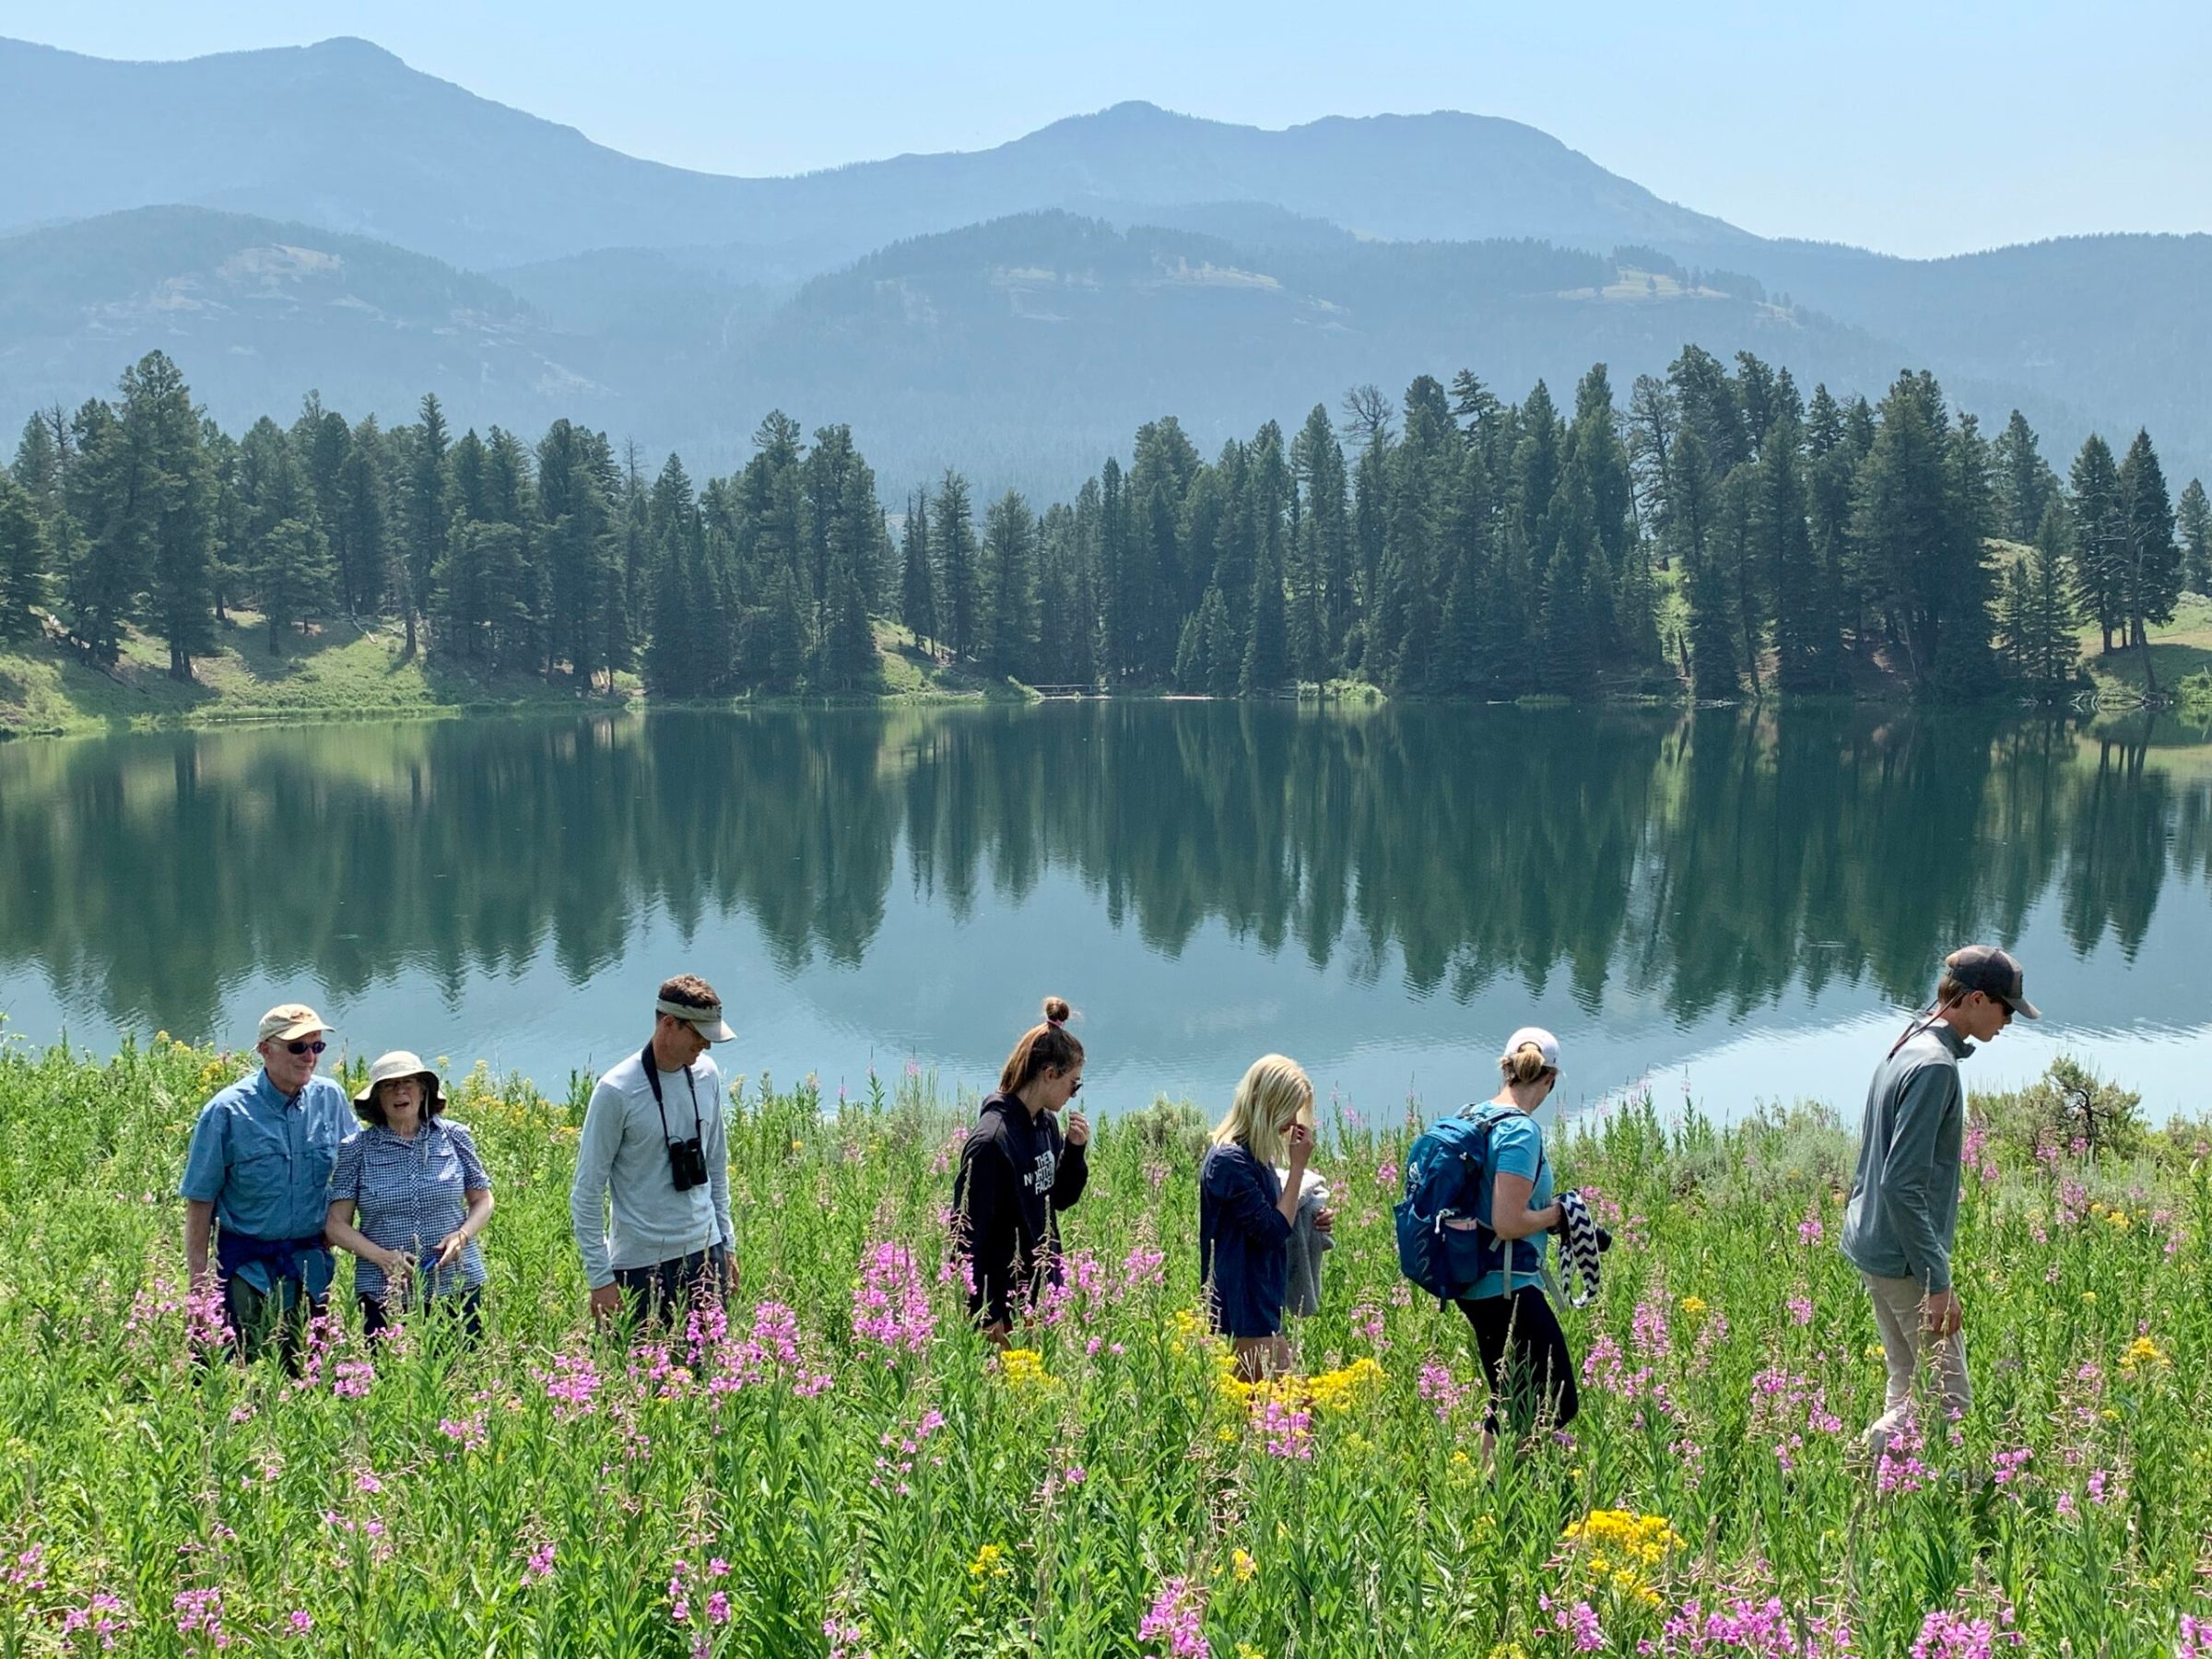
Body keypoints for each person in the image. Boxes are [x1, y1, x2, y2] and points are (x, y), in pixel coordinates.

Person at [1841, 945, 2038, 1453]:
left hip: (1873, 1245)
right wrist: (1938, 1281)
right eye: (2007, 1008)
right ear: (1976, 999)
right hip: (1905, 1260)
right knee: (1949, 1400)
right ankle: (1866, 1471)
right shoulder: (1935, 1067)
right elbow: (1902, 1183)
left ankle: (1880, 1505)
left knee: (1907, 1384)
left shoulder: (1909, 1041)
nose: (2010, 1021)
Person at [180, 1003, 354, 1368]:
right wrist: (198, 1286)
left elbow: (353, 1171)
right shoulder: (226, 1111)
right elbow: (200, 1200)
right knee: (238, 1368)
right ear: (264, 1050)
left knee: (306, 1372)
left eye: (316, 1047)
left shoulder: (330, 1098)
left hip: (310, 1265)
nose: (309, 1057)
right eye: (297, 1047)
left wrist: (337, 1226)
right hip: (246, 1268)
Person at [569, 975, 738, 1327]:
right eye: (698, 1034)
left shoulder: (707, 1075)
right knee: (637, 1376)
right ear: (669, 1024)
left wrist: (727, 1242)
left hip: (706, 1252)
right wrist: (601, 1280)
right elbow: (586, 1192)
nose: (706, 1045)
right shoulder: (616, 1091)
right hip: (639, 1264)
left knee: (710, 1373)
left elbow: (717, 1166)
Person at [1455, 1026, 1579, 1453]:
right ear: (1549, 1079)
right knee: (1556, 1397)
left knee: (1508, 1392)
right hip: (1505, 1285)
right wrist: (1558, 1215)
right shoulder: (1521, 1132)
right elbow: (1507, 1221)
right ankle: (1506, 1486)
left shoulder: (1471, 1114)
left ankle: (1490, 1490)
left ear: (1505, 1068)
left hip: (1471, 1278)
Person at [950, 995, 1090, 1347]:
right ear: (1048, 1074)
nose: (1074, 1094)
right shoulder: (991, 1142)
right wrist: (985, 1311)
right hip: (1005, 1299)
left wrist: (1074, 1153)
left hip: (1042, 1286)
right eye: (1074, 1083)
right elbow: (967, 1236)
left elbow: (1057, 1200)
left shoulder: (1044, 1124)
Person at [324, 1051, 493, 1342]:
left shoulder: (455, 1136)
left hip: (456, 1282)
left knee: (462, 1375)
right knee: (392, 1377)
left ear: (424, 1090)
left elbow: (483, 1199)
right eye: (389, 1085)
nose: (400, 1091)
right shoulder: (357, 1149)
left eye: (409, 1082)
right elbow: (336, 1225)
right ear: (377, 1097)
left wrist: (462, 1236)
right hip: (384, 1290)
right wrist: (383, 1258)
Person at [1200, 1053, 1335, 1381]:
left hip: (1260, 1299)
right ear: (1265, 1103)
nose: (1291, 1121)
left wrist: (1310, 1217)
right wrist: (1299, 1166)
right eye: (1288, 1109)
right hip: (1244, 1306)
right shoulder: (1229, 1162)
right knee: (1286, 1417)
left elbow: (1279, 1214)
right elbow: (1273, 1230)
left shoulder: (1253, 1158)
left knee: (1276, 1418)